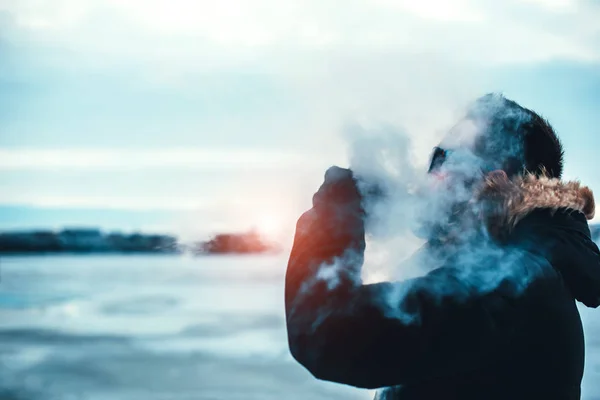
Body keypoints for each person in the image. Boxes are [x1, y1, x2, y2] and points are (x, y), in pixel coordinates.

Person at [284, 93, 600, 400]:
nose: (429, 174)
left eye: (442, 159)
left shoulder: (516, 281)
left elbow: (328, 335)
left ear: (493, 180)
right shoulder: (501, 269)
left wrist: (337, 209)